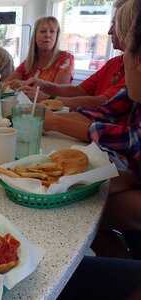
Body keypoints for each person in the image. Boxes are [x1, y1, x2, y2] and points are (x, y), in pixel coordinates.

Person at [44, 0, 141, 235]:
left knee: (82, 202)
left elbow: (126, 137)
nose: (109, 32)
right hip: (126, 173)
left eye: (128, 45)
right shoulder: (127, 86)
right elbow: (103, 112)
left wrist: (55, 119)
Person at [21, 0, 127, 109]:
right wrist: (43, 84)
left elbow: (103, 101)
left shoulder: (65, 58)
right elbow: (79, 90)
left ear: (130, 27)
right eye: (42, 32)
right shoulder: (113, 63)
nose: (109, 31)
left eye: (114, 24)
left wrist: (47, 98)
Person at [3, 16, 74, 98]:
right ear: (35, 36)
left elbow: (59, 93)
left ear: (56, 36)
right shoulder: (29, 62)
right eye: (43, 31)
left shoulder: (66, 59)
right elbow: (5, 84)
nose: (47, 35)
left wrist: (25, 86)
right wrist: (15, 85)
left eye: (52, 31)